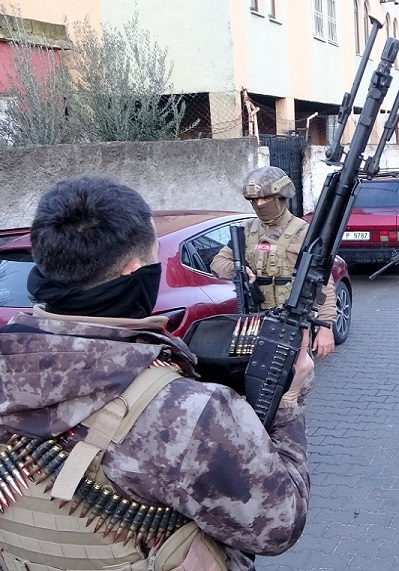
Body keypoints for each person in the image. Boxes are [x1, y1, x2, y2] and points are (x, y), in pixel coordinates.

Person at [0, 176, 313, 569]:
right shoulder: (188, 411)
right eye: (153, 261)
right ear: (135, 270)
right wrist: (287, 403)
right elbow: (279, 526)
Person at [211, 166, 336, 357]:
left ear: (280, 197)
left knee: (296, 380)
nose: (259, 204)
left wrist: (326, 326)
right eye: (254, 200)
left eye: (265, 198)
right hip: (255, 324)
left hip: (293, 324)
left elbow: (323, 282)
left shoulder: (304, 233)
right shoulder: (246, 231)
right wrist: (238, 270)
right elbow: (218, 262)